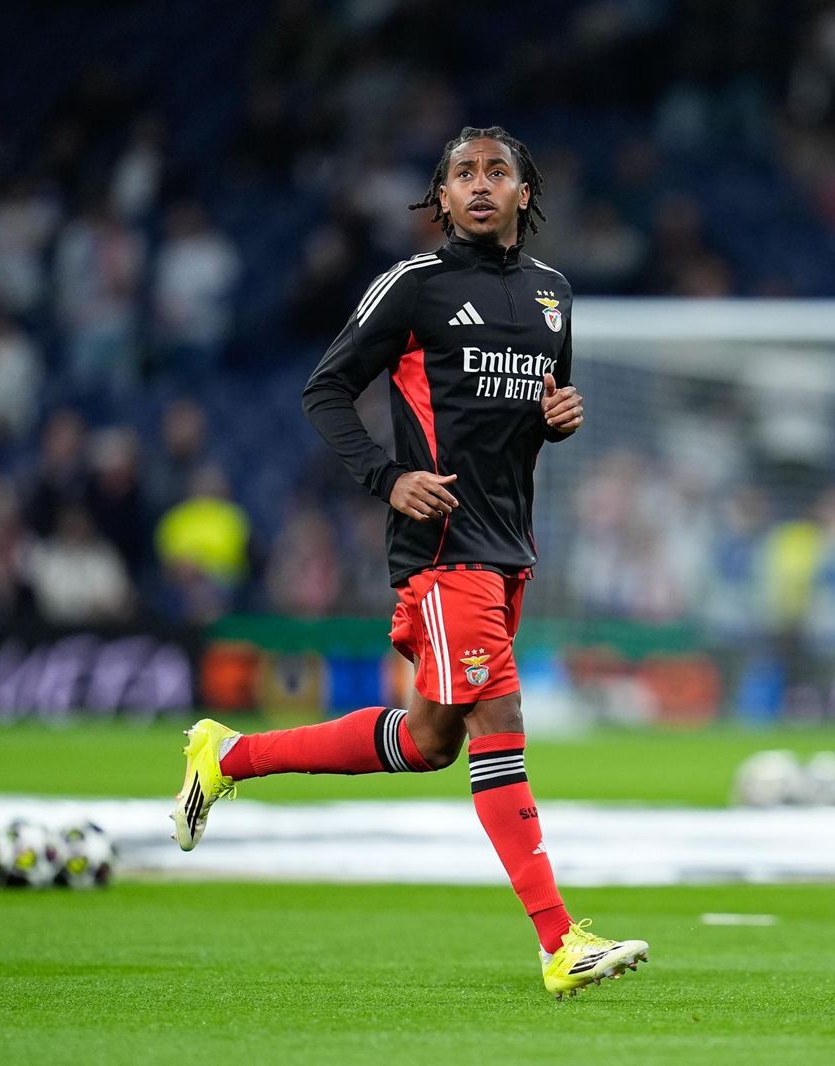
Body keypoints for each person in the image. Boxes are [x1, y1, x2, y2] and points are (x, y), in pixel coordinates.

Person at [168, 126, 648, 999]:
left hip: (509, 546)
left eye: (496, 172)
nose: (479, 184)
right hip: (442, 549)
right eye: (463, 173)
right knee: (499, 716)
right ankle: (559, 941)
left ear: (524, 193)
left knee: (430, 741)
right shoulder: (414, 285)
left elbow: (533, 411)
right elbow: (324, 390)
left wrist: (557, 419)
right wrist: (388, 478)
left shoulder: (553, 294)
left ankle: (226, 756)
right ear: (442, 196)